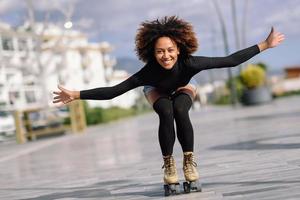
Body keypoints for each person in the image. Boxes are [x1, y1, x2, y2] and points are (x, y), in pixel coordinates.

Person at [53, 16, 284, 195]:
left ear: (179, 49)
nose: (166, 56)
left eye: (170, 50)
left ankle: (188, 162)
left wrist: (265, 44)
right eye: (160, 51)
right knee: (166, 111)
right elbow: (114, 92)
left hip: (184, 86)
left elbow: (230, 60)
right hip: (156, 89)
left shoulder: (190, 64)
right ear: (152, 54)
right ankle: (169, 166)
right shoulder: (148, 72)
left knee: (181, 109)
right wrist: (75, 94)